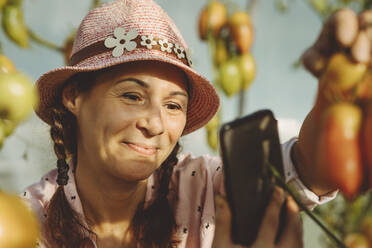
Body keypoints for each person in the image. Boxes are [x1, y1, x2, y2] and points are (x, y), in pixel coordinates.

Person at [20, 0, 370, 247]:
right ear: (74, 97)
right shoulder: (25, 223)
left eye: (173, 105)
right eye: (132, 96)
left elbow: (308, 170)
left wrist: (336, 90)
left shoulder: (205, 187)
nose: (156, 124)